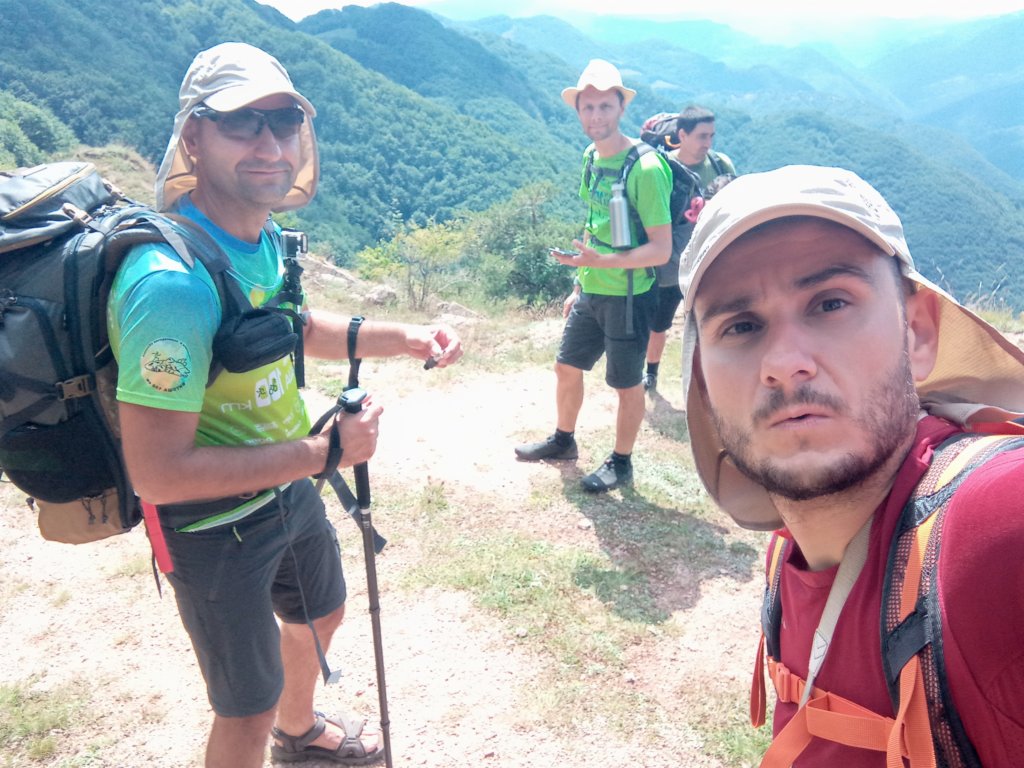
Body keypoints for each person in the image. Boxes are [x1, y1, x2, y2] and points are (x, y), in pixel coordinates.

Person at [108, 43, 462, 768]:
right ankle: (276, 725)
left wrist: (401, 337)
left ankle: (298, 733)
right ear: (194, 137)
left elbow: (288, 328)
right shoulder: (169, 284)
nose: (270, 145)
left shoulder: (258, 238)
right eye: (242, 123)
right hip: (209, 526)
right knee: (244, 709)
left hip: (286, 487)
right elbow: (159, 473)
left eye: (283, 122)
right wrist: (326, 452)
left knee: (320, 611)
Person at [679, 164, 1024, 766]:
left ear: (917, 333)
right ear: (704, 385)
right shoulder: (792, 551)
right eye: (741, 326)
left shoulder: (995, 532)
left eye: (830, 303)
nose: (784, 363)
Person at [514, 59, 672, 492]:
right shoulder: (591, 157)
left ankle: (621, 462)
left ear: (621, 107)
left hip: (630, 295)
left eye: (605, 106)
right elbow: (593, 223)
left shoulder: (645, 169)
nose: (596, 116)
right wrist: (579, 282)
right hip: (593, 289)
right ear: (578, 110)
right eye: (588, 107)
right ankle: (564, 441)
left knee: (625, 384)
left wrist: (602, 264)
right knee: (566, 366)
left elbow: (661, 250)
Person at [642, 105, 737, 393]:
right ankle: (651, 373)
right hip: (669, 264)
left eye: (711, 136)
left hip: (712, 263)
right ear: (682, 135)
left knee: (712, 323)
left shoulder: (721, 165)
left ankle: (711, 380)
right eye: (702, 136)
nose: (708, 143)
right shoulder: (660, 168)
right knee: (659, 325)